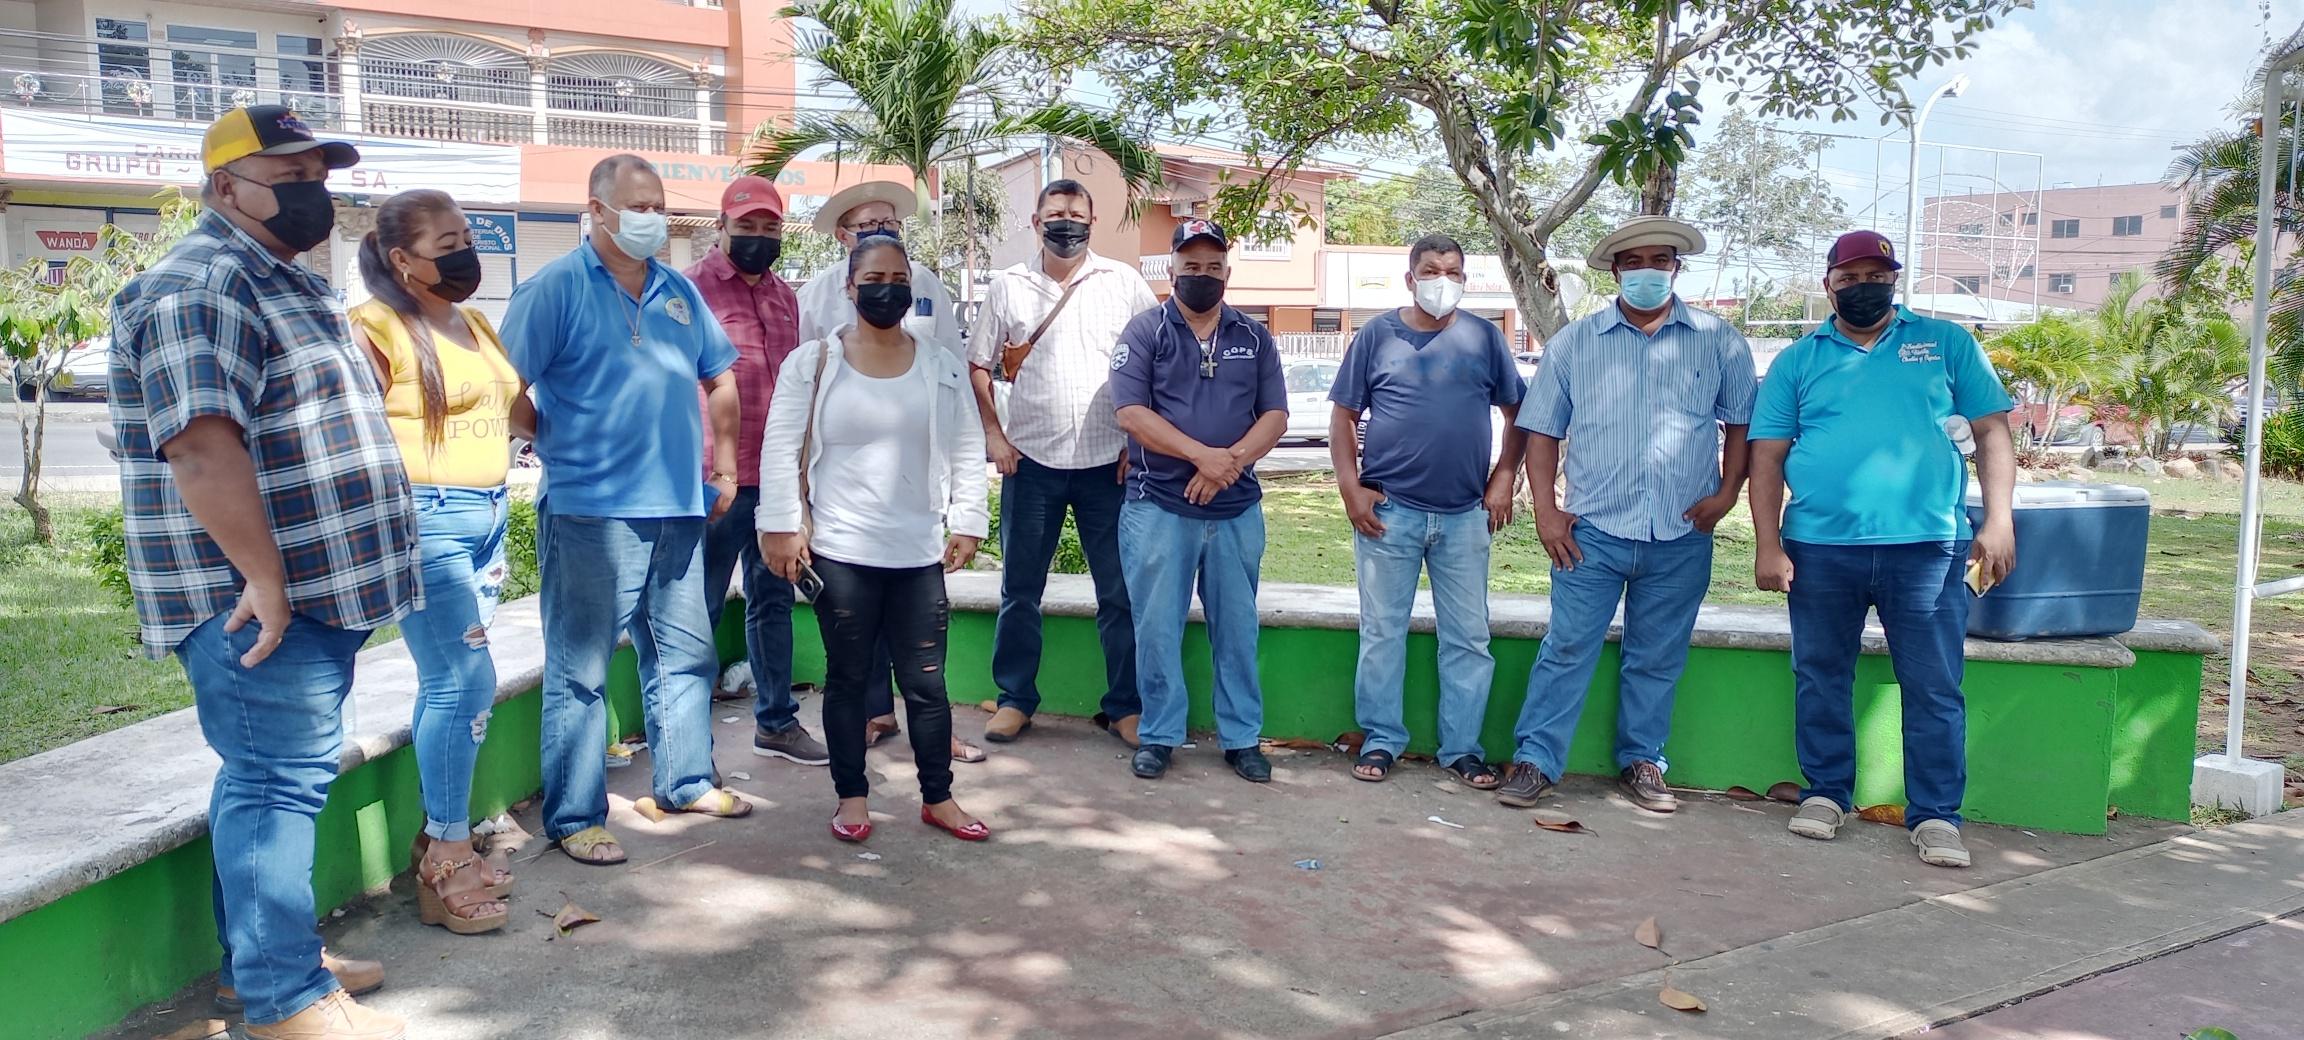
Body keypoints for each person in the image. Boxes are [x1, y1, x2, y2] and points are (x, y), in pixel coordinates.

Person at [109, 105, 413, 1039]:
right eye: (289, 177)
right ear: (225, 186)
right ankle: (287, 1001)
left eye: (318, 175)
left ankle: (263, 967)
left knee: (270, 777)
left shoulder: (279, 278)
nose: (312, 192)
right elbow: (201, 449)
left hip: (312, 590)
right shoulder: (198, 286)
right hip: (250, 600)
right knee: (276, 782)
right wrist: (266, 582)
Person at [502, 154, 753, 869]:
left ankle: (686, 782)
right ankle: (575, 817)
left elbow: (721, 378)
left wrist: (725, 466)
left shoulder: (678, 291)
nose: (652, 218)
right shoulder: (554, 289)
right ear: (597, 209)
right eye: (638, 205)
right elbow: (504, 386)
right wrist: (553, 438)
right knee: (581, 670)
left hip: (678, 508)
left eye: (658, 205)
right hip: (590, 512)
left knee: (686, 655)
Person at [1749, 230, 2016, 869]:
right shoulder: (1797, 360)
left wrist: (2000, 520)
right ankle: (1825, 793)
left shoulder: (1947, 343)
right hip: (1820, 549)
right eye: (1850, 278)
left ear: (1894, 281)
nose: (1864, 287)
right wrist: (1767, 544)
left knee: (1934, 685)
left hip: (1928, 547)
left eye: (1877, 276)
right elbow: (1767, 456)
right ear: (1829, 286)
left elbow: (1992, 432)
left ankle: (1936, 815)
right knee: (1820, 675)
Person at [1496, 216, 1757, 816]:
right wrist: (1547, 512)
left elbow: (1742, 423)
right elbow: (1542, 432)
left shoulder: (1718, 340)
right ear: (1615, 272)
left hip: (1682, 531)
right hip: (1591, 533)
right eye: (1633, 263)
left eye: (1659, 261)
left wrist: (1727, 494)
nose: (1647, 272)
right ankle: (1536, 760)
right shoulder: (1575, 343)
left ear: (1676, 268)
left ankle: (1643, 761)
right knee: (1567, 647)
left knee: (1657, 656)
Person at [757, 237, 992, 843]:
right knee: (850, 678)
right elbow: (780, 448)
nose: (887, 289)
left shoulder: (939, 363)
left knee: (927, 683)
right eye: (874, 278)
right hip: (840, 551)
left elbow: (966, 443)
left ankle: (938, 798)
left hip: (917, 551)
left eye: (898, 279)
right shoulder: (813, 362)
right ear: (850, 287)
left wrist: (969, 518)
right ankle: (853, 798)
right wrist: (780, 526)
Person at [348, 189, 524, 936]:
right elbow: (352, 434)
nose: (465, 254)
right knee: (467, 679)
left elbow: (515, 410)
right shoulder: (373, 326)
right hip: (425, 520)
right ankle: (449, 854)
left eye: (466, 239)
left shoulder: (473, 322)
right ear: (402, 258)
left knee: (446, 683)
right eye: (447, 243)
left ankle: (432, 835)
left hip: (488, 517)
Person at [1330, 234, 1528, 788]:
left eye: (1453, 271)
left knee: (1469, 638)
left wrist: (1504, 478)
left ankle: (1462, 749)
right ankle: (1381, 739)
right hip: (1388, 512)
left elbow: (1518, 414)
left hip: (1465, 515)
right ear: (1410, 278)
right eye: (1431, 271)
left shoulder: (1484, 338)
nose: (1442, 280)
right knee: (1382, 633)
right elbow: (1344, 417)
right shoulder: (1377, 335)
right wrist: (1350, 488)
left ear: (1465, 279)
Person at [967, 178, 1157, 746]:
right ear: (1036, 222)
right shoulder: (1009, 286)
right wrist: (995, 436)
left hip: (1108, 466)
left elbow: (1155, 360)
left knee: (1118, 593)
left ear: (1092, 222)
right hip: (1031, 464)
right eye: (1055, 214)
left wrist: (1137, 445)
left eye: (1076, 214)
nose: (1066, 223)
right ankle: (1014, 700)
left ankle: (1124, 706)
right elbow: (977, 365)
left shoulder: (1123, 283)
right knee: (1020, 590)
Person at [796, 179, 976, 757]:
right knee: (854, 638)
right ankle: (874, 716)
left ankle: (934, 736)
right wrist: (795, 505)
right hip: (843, 495)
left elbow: (953, 376)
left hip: (913, 497)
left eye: (891, 224)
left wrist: (967, 505)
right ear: (842, 236)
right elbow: (800, 400)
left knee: (923, 647)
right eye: (869, 225)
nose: (882, 232)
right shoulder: (815, 296)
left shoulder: (928, 286)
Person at [1110, 219, 1289, 783]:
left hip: (1236, 509)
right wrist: (1200, 457)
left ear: (1228, 272)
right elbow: (1130, 413)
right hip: (1159, 505)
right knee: (1157, 629)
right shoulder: (1145, 332)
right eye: (1191, 266)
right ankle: (1160, 735)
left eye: (1214, 266)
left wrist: (1228, 463)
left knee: (1237, 631)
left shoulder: (1254, 337)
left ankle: (1242, 738)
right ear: (1172, 270)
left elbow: (1275, 415)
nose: (1202, 275)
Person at [685, 175, 830, 768]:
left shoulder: (784, 296)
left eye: (770, 227)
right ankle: (689, 745)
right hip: (713, 480)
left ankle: (776, 722)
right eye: (746, 226)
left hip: (774, 483)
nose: (759, 237)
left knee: (772, 602)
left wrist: (799, 481)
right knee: (698, 610)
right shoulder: (688, 290)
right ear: (721, 226)